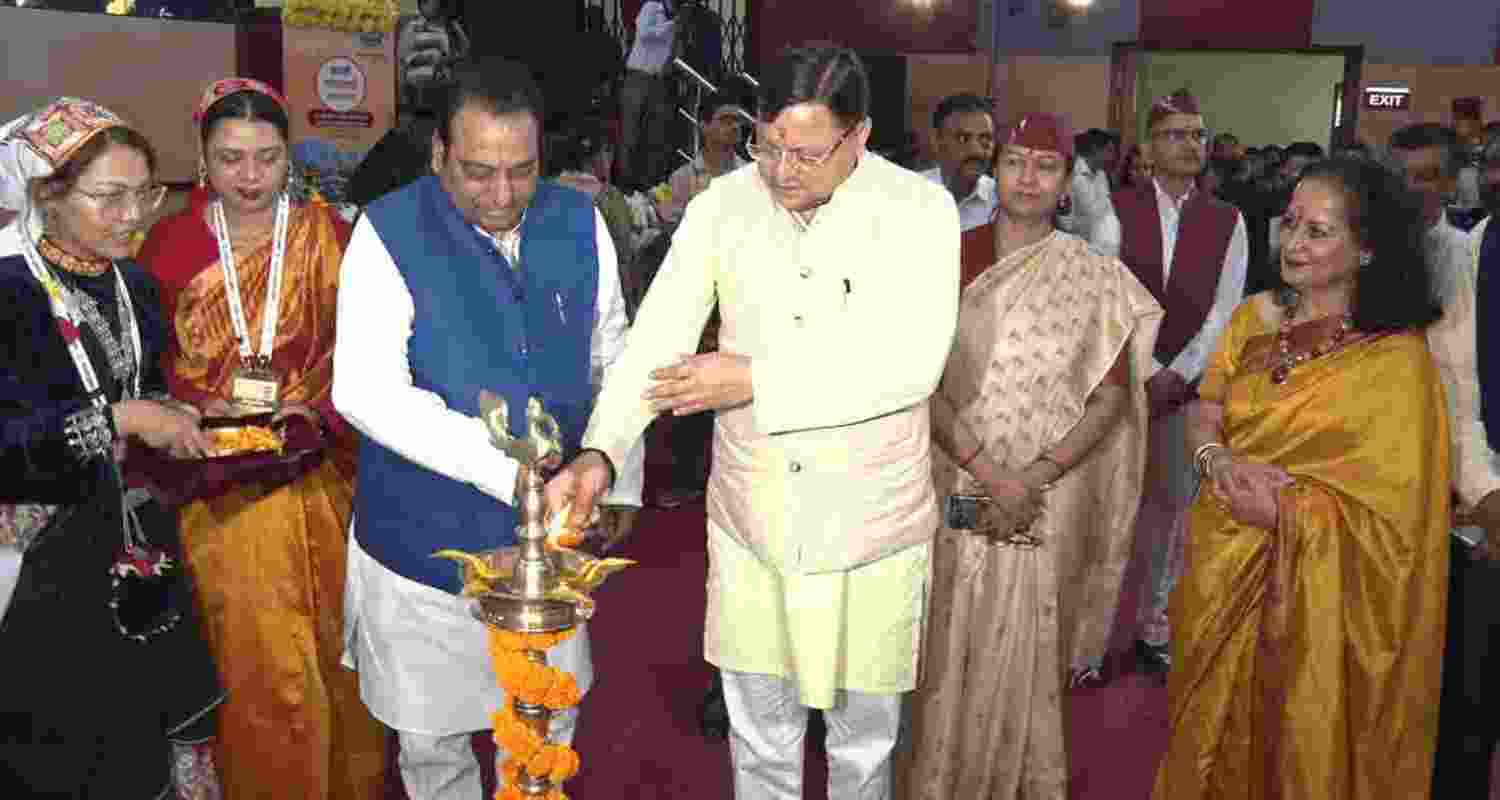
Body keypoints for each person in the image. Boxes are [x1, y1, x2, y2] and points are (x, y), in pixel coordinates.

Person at [546, 42, 960, 798]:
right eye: (767, 147)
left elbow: (912, 363)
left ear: (859, 136)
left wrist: (753, 380)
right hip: (754, 517)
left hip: (871, 524)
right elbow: (657, 342)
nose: (781, 171)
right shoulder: (723, 206)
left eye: (805, 153)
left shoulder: (920, 211)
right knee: (759, 736)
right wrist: (602, 451)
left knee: (863, 746)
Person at [330, 56, 637, 800]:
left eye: (521, 171)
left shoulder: (579, 220)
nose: (501, 195)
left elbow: (614, 355)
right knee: (434, 748)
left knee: (543, 733)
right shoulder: (387, 230)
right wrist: (514, 476)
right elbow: (366, 391)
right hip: (422, 547)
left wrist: (614, 464)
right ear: (439, 153)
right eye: (477, 173)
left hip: (550, 553)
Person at [1153, 156, 1449, 799]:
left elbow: (1399, 531)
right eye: (1289, 224)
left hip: (1325, 609)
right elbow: (1207, 409)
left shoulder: (1397, 361)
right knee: (1209, 741)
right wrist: (1216, 461)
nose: (1293, 244)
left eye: (1318, 231)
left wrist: (1291, 515)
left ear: (1366, 249)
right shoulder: (1252, 318)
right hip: (1224, 560)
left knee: (1299, 744)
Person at [136, 78, 388, 800]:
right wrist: (195, 400)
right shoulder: (168, 244)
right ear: (202, 159)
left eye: (267, 157)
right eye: (230, 159)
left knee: (339, 649)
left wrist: (314, 410)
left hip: (323, 469)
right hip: (216, 481)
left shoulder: (331, 236)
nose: (249, 177)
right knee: (257, 661)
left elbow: (370, 351)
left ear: (289, 156)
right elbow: (147, 362)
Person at [897, 112, 1162, 799]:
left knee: (1029, 646)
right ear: (996, 170)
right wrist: (991, 473)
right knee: (943, 636)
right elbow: (915, 380)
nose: (1028, 178)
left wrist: (1033, 477)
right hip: (952, 481)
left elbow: (1110, 398)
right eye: (1014, 161)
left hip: (1046, 495)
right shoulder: (942, 256)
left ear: (1068, 182)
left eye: (1046, 166)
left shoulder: (1092, 276)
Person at [0, 97, 224, 798]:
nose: (133, 216)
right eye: (110, 197)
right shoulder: (9, 292)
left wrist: (179, 411)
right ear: (48, 195)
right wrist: (122, 418)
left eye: (145, 194)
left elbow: (141, 385)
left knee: (141, 738)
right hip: (41, 569)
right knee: (63, 750)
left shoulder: (134, 283)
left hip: (134, 544)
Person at [1112, 89, 1248, 679]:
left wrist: (1179, 374)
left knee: (1171, 513)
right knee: (1109, 507)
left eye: (1197, 134)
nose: (1190, 144)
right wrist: (1143, 372)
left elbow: (1226, 311)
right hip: (1118, 386)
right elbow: (1105, 300)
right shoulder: (1114, 209)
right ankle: (1095, 629)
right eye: (1175, 134)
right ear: (1148, 147)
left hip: (1184, 390)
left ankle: (1154, 625)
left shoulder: (1227, 219)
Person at [1427, 130, 1500, 797]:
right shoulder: (1476, 249)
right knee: (1468, 699)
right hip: (1483, 502)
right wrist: (1483, 493)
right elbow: (1459, 381)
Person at [658, 98, 749, 226]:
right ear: (704, 126)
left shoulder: (752, 175)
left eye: (737, 120)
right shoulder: (681, 178)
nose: (735, 126)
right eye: (725, 120)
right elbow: (669, 224)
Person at [619, 0, 678, 188]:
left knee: (653, 135)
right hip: (638, 77)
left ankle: (647, 184)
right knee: (630, 133)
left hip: (657, 81)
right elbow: (644, 33)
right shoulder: (651, 7)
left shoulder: (677, 19)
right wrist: (672, 26)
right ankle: (624, 184)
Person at [921, 92, 997, 232]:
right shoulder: (910, 194)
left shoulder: (1002, 202)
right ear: (937, 141)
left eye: (985, 139)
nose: (976, 150)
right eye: (963, 139)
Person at [1060, 126, 1122, 256]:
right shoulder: (1073, 176)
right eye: (1109, 151)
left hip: (1102, 247)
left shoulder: (1101, 175)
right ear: (1095, 149)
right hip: (1077, 248)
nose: (1112, 157)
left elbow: (1107, 210)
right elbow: (1066, 222)